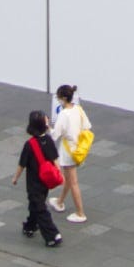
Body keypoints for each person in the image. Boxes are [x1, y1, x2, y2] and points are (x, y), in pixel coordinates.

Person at [11, 110, 64, 247]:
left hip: (34, 183)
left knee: (40, 207)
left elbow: (22, 165)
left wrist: (15, 178)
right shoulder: (49, 140)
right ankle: (30, 226)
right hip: (46, 182)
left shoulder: (29, 145)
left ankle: (52, 235)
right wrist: (59, 173)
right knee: (35, 204)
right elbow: (55, 159)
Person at [51, 83, 91, 224]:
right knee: (69, 179)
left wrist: (47, 129)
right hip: (79, 148)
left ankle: (80, 213)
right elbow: (87, 126)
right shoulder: (79, 109)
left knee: (73, 182)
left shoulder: (63, 114)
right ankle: (60, 202)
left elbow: (55, 135)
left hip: (68, 151)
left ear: (63, 98)